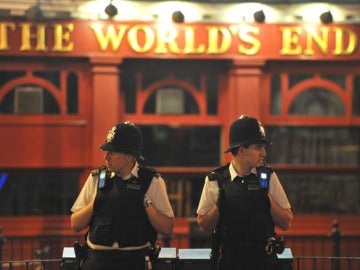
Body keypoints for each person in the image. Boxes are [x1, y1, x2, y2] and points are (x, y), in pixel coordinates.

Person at [70, 121, 175, 270]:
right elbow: (75, 224)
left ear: (130, 156)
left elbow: (167, 228)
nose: (106, 157)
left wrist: (145, 204)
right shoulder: (97, 178)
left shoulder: (151, 181)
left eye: (112, 152)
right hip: (97, 261)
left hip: (135, 262)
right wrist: (96, 202)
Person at [196, 115, 293, 270]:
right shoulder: (217, 180)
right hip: (229, 262)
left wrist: (266, 198)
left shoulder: (266, 177)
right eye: (258, 147)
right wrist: (220, 204)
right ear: (242, 149)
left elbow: (286, 222)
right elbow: (204, 226)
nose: (264, 153)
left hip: (263, 262)